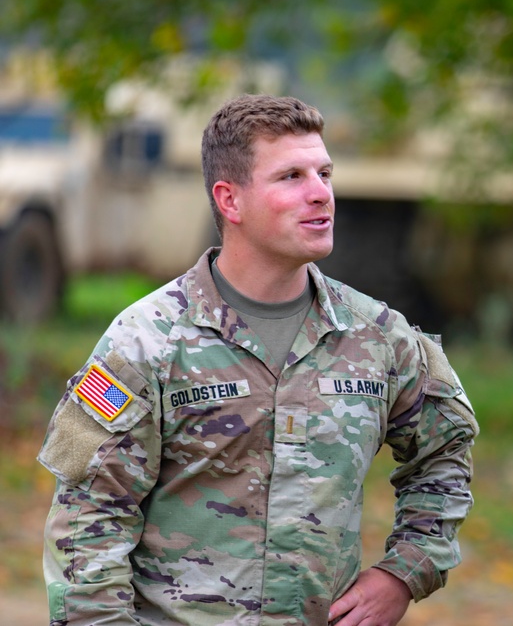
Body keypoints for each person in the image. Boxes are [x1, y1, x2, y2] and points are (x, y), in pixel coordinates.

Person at [38, 94, 478, 626]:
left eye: (325, 172)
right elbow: (90, 519)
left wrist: (405, 572)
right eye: (291, 176)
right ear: (231, 200)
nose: (321, 194)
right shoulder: (146, 341)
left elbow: (446, 449)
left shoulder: (379, 337)